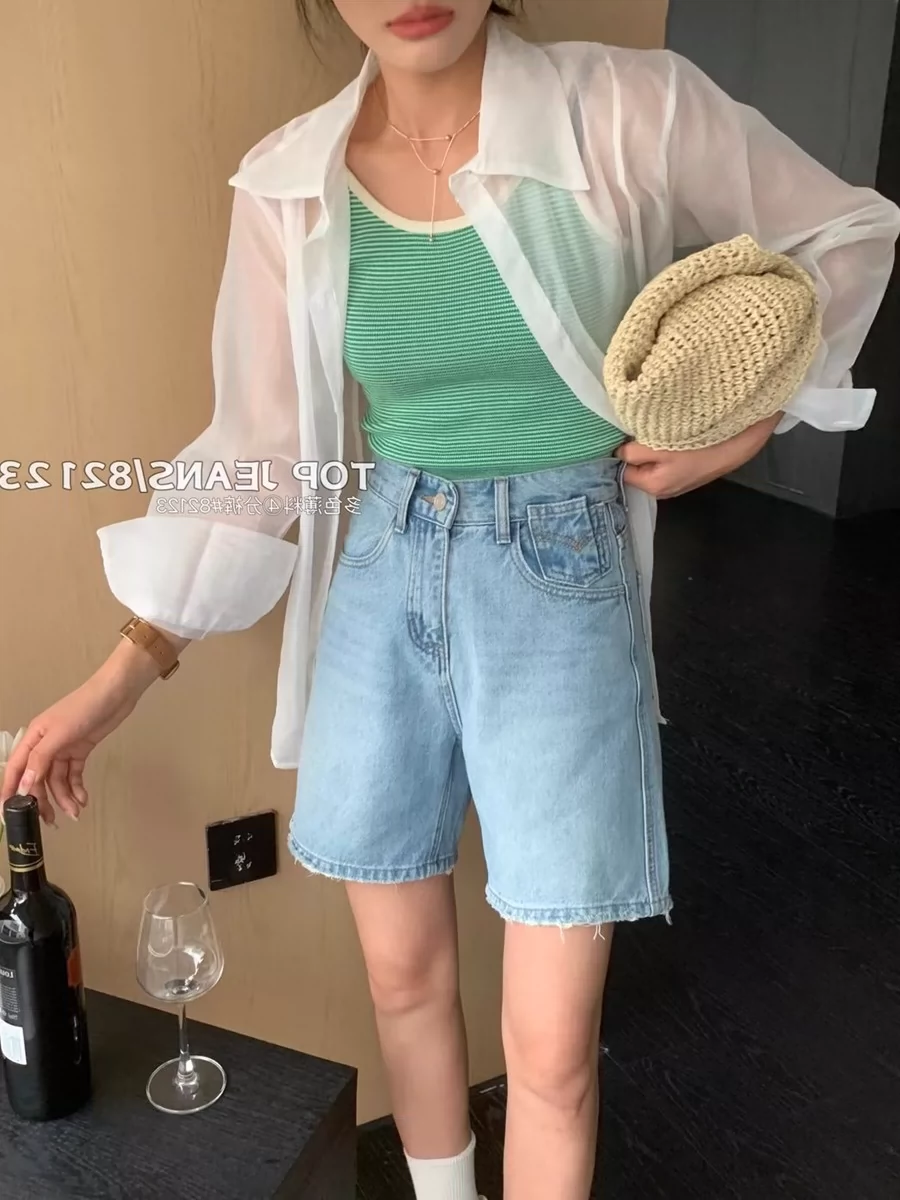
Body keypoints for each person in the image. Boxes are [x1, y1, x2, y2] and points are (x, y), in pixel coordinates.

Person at [3, 2, 898, 1196]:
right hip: (384, 573)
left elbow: (847, 230)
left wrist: (748, 421)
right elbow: (258, 454)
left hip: (560, 576)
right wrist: (118, 680)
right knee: (403, 983)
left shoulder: (626, 109)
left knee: (552, 1050)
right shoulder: (290, 182)